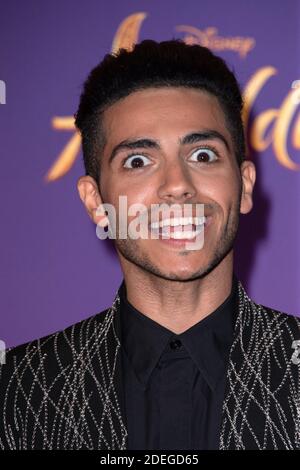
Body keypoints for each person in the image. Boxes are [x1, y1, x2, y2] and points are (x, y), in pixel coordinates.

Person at [0, 39, 299, 451]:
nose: (177, 185)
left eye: (203, 155)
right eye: (138, 161)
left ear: (245, 185)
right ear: (96, 202)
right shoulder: (19, 388)